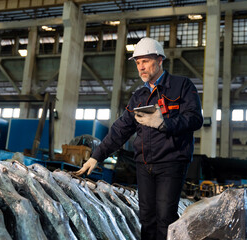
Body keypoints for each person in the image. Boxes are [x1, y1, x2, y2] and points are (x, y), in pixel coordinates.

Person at [75, 37, 203, 240]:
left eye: (145, 61)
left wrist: (164, 124)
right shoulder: (139, 96)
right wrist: (96, 156)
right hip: (144, 164)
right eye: (137, 63)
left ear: (160, 60)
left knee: (165, 217)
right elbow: (121, 130)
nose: (140, 67)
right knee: (147, 218)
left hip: (171, 163)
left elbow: (195, 119)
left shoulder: (181, 86)